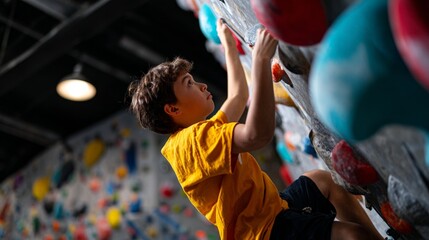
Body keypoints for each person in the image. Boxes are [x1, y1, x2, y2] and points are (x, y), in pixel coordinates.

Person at [128, 18, 383, 240]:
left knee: (322, 180)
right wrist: (260, 60)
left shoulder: (200, 134)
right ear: (173, 110)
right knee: (352, 236)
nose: (202, 86)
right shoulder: (193, 142)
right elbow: (256, 135)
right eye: (190, 84)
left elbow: (238, 95)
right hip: (267, 233)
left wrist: (227, 44)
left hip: (272, 211)